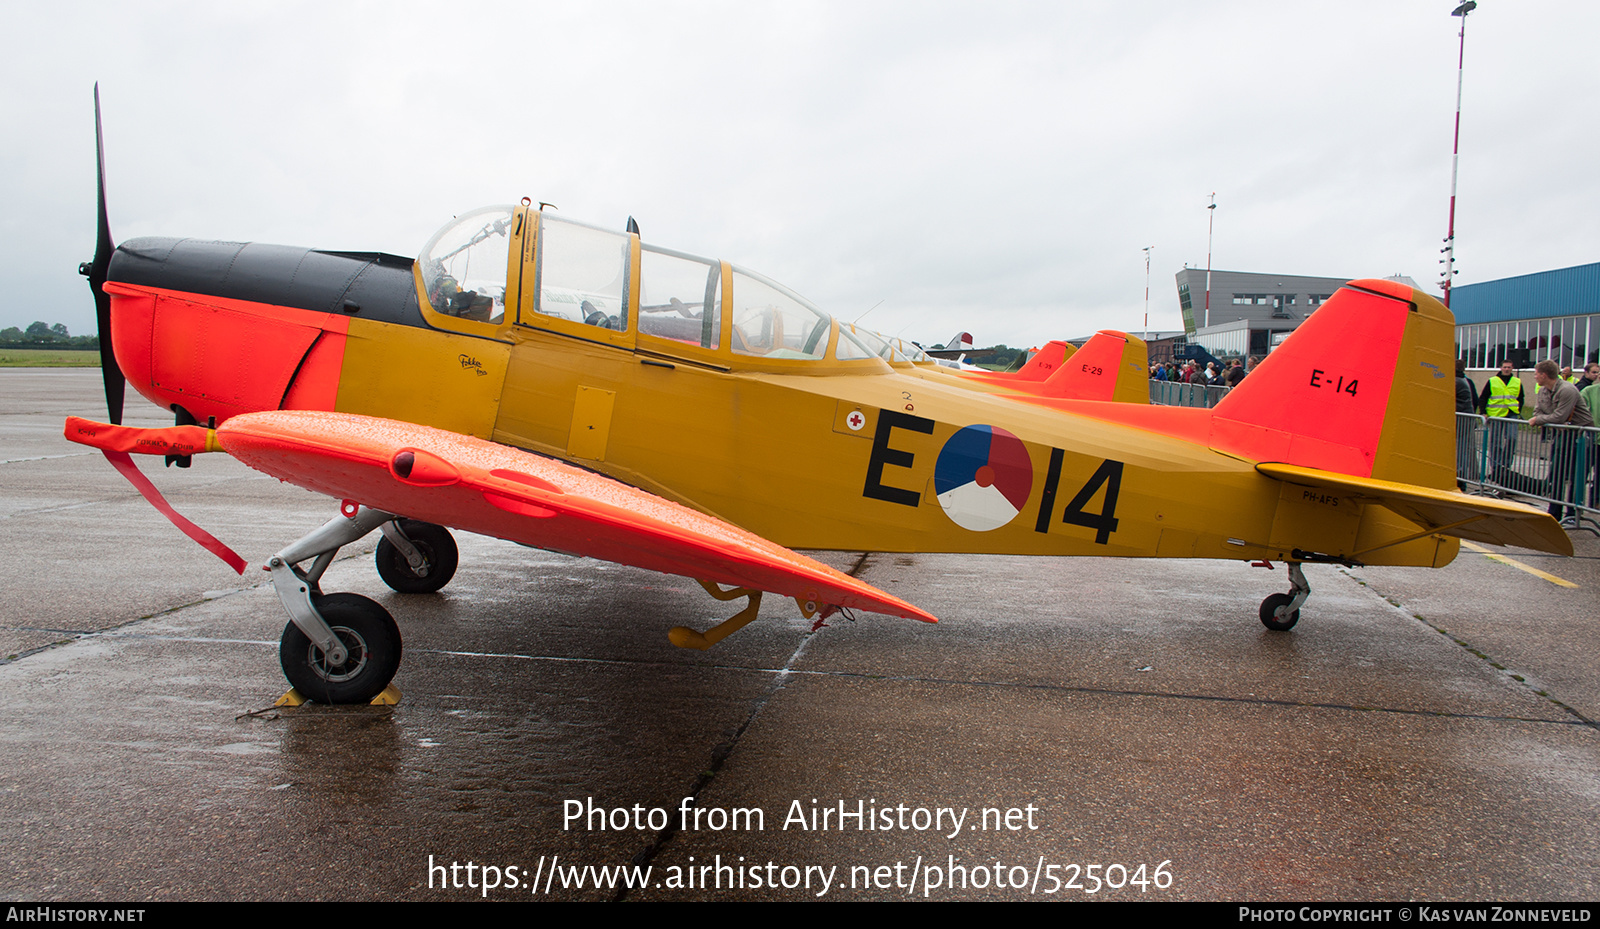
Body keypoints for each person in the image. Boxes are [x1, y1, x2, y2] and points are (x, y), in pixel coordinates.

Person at [1528, 359, 1593, 524]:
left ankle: (1571, 513)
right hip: (1562, 435)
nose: (1535, 377)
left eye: (1536, 374)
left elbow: (1559, 416)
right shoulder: (1543, 390)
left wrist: (1540, 419)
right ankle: (1554, 512)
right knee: (1556, 474)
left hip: (1579, 435)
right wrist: (1543, 418)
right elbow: (1538, 411)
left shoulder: (1567, 390)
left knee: (1575, 476)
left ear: (1544, 375)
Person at [1477, 360, 1524, 477]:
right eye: (1504, 367)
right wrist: (1483, 412)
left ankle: (1505, 465)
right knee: (1496, 442)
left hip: (1511, 413)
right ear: (1500, 368)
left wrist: (1519, 409)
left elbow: (1521, 397)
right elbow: (1483, 397)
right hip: (1496, 415)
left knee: (1512, 439)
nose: (1507, 369)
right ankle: (1496, 467)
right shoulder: (1493, 381)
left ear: (1512, 368)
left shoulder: (1517, 381)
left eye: (1509, 367)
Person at [1455, 359, 1478, 488]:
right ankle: (1461, 478)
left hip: (1462, 422)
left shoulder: (1456, 382)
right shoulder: (1465, 380)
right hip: (1466, 420)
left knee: (1461, 451)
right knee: (1463, 450)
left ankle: (1460, 480)